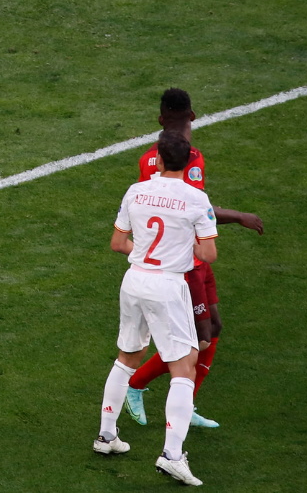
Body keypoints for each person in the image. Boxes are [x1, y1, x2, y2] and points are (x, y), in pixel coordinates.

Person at [123, 88, 264, 430]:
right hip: (184, 261)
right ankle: (136, 386)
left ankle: (187, 404)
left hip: (193, 258)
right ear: (194, 115)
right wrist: (239, 216)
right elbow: (195, 206)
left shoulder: (149, 158)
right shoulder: (191, 158)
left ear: (160, 119)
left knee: (214, 327)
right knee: (198, 338)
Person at [95, 130, 217, 487]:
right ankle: (172, 456)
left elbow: (118, 242)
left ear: (159, 159)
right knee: (184, 366)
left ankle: (106, 436)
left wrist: (143, 251)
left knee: (127, 356)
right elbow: (208, 254)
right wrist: (182, 247)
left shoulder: (136, 191)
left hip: (134, 280)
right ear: (188, 162)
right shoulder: (196, 198)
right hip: (167, 285)